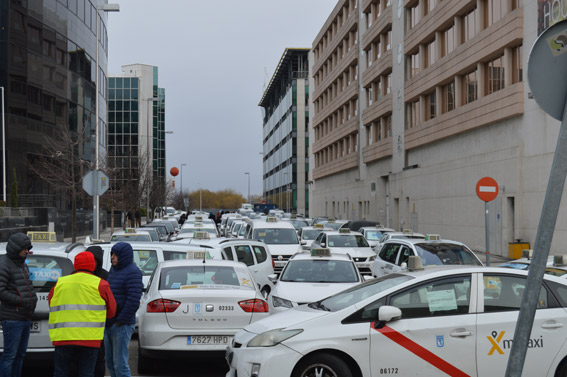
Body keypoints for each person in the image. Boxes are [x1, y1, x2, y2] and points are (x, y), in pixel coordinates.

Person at [48, 252, 116, 377]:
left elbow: (51, 303)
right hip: (90, 339)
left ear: (75, 265)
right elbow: (112, 312)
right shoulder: (101, 284)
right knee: (86, 373)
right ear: (92, 265)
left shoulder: (60, 283)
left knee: (61, 372)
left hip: (64, 338)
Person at [0, 233, 37, 377]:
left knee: (20, 355)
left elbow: (26, 286)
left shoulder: (21, 263)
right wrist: (22, 300)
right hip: (12, 318)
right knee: (10, 356)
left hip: (24, 317)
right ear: (16, 248)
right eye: (25, 248)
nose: (27, 251)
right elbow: (1, 291)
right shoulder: (4, 264)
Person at [105, 242, 143, 377]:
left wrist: (120, 321)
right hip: (110, 323)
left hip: (121, 324)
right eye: (112, 254)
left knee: (120, 364)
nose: (112, 257)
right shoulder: (114, 270)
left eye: (115, 255)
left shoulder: (133, 272)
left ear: (124, 256)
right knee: (110, 363)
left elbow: (133, 301)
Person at [86, 246, 110, 377]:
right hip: (79, 329)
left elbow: (112, 304)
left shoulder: (105, 276)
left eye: (96, 260)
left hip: (99, 328)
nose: (93, 263)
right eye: (91, 260)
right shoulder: (76, 276)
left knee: (99, 360)